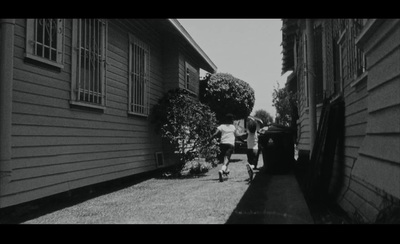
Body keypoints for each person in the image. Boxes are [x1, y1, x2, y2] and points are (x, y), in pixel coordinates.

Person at [212, 113, 241, 182]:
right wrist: (243, 140)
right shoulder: (233, 127)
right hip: (230, 144)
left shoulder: (222, 126)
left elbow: (216, 133)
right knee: (227, 158)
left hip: (223, 144)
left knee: (225, 158)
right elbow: (237, 135)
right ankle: (222, 170)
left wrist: (211, 138)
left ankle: (225, 170)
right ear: (231, 120)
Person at [245, 116, 263, 182]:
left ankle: (251, 172)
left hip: (249, 149)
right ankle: (251, 171)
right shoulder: (256, 132)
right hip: (255, 149)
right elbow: (254, 125)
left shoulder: (248, 132)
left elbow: (248, 126)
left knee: (250, 162)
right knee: (253, 163)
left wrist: (250, 121)